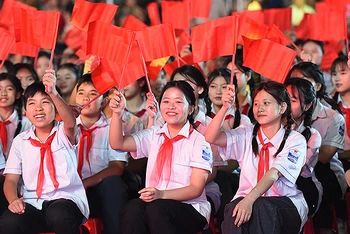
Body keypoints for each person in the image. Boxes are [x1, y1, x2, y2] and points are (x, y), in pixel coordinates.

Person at [109, 80, 213, 234]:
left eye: (178, 102)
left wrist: (161, 194)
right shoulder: (154, 135)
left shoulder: (199, 142)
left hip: (191, 207)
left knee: (157, 208)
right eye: (166, 101)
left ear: (191, 109)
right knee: (133, 208)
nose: (171, 106)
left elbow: (196, 189)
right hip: (156, 202)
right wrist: (117, 114)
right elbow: (118, 143)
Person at [206, 81, 308, 234]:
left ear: (282, 107)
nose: (259, 108)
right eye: (255, 104)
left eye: (266, 103)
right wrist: (225, 108)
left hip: (285, 203)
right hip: (247, 201)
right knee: (234, 209)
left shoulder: (295, 140)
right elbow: (211, 137)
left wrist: (250, 199)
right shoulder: (247, 133)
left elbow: (274, 173)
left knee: (261, 207)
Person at [0, 70, 89, 234]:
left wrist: (53, 91)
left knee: (58, 213)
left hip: (66, 200)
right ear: (26, 110)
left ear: (56, 108)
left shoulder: (63, 132)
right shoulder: (21, 141)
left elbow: (70, 122)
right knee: (9, 220)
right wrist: (13, 201)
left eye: (45, 102)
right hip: (33, 202)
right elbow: (11, 179)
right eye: (32, 103)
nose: (38, 108)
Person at [287, 62, 347, 234]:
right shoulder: (283, 115)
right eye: (293, 80)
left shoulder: (332, 117)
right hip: (292, 169)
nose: (296, 85)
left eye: (303, 80)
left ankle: (328, 226)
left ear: (318, 85)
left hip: (325, 172)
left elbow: (324, 157)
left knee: (314, 178)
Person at [75, 74, 128, 234]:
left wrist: (87, 182)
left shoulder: (112, 128)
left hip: (98, 189)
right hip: (70, 190)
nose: (86, 98)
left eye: (92, 94)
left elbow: (117, 167)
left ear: (104, 101)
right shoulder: (66, 128)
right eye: (81, 93)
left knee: (114, 185)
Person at [284, 78, 323, 216]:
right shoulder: (271, 129)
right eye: (284, 98)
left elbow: (296, 169)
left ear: (307, 106)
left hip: (302, 187)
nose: (286, 104)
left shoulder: (313, 136)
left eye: (293, 101)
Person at [0, 73, 32, 215]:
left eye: (9, 89)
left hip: (19, 177)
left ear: (18, 94)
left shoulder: (27, 124)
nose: (3, 93)